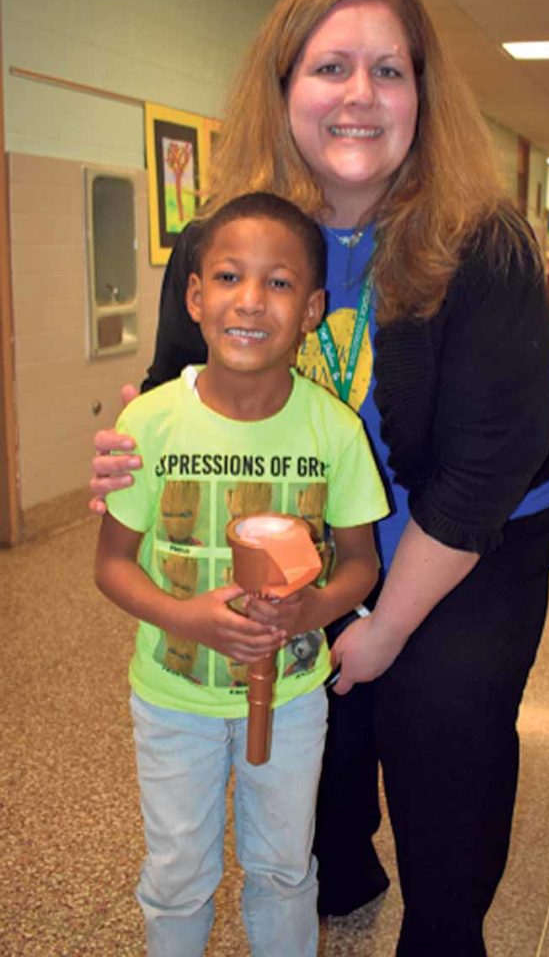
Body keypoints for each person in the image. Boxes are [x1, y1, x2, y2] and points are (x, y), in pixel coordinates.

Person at [89, 0, 549, 954]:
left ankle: (442, 931)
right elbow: (176, 384)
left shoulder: (486, 247)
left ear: (421, 100)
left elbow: (484, 471)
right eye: (330, 67)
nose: (359, 94)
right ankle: (340, 870)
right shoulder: (228, 238)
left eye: (388, 70)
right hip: (313, 530)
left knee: (440, 724)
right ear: (282, 90)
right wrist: (125, 448)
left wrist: (385, 622)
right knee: (322, 718)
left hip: (470, 539)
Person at [94, 191, 389, 957]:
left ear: (314, 307)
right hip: (173, 700)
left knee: (285, 869)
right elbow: (112, 567)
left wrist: (309, 611)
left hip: (291, 700)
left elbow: (361, 564)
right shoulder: (150, 422)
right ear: (195, 297)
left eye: (280, 283)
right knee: (177, 873)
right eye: (227, 277)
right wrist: (187, 617)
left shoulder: (333, 429)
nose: (250, 301)